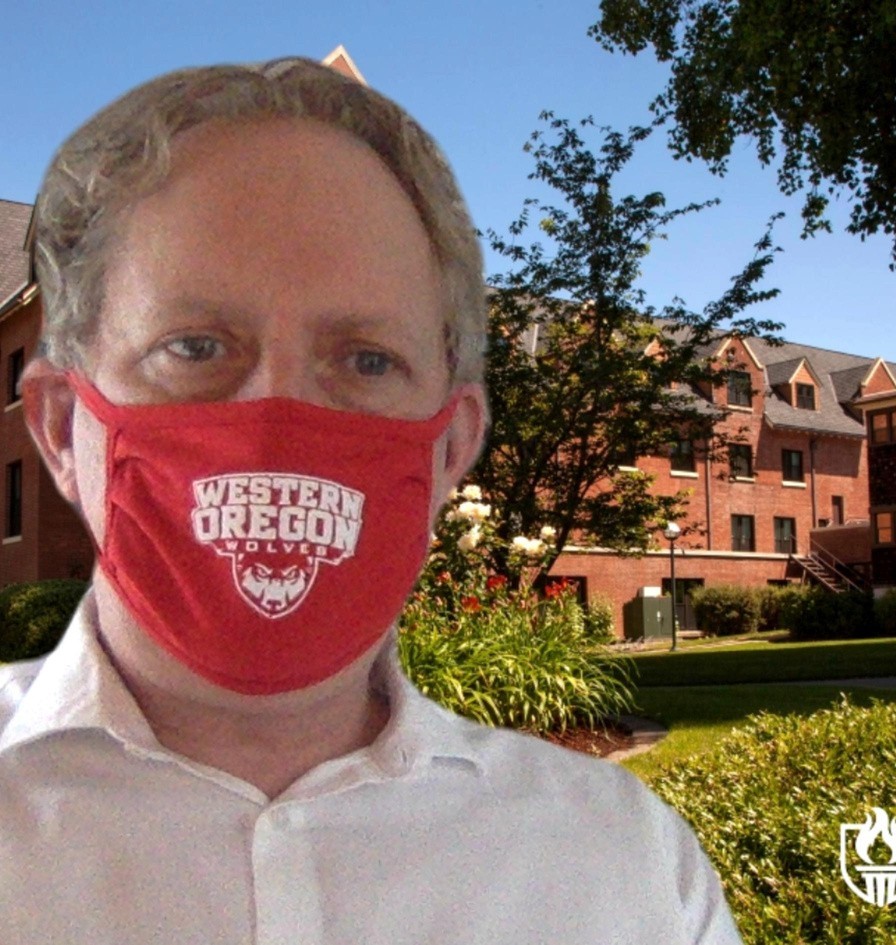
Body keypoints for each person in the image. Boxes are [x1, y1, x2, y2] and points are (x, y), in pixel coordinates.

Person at [0, 57, 743, 943]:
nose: (279, 421)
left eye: (364, 359)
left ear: (452, 443)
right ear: (56, 426)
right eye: (196, 345)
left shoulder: (629, 865)